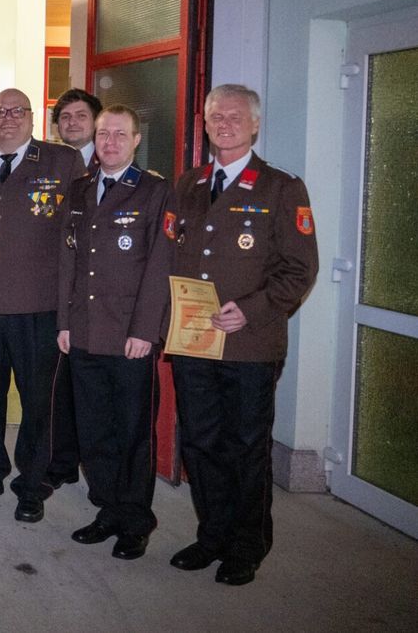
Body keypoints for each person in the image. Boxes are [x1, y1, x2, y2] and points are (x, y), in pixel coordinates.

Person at [167, 84, 318, 586]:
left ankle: (247, 545)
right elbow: (174, 257)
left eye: (234, 116)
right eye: (214, 116)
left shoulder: (280, 187)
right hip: (194, 344)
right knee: (202, 443)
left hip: (250, 346)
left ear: (255, 124)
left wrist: (250, 312)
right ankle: (211, 535)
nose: (223, 123)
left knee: (246, 447)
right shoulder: (188, 184)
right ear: (205, 124)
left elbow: (300, 271)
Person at [0, 87, 87, 524]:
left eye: (17, 111)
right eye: (0, 112)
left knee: (37, 402)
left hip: (38, 305)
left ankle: (32, 484)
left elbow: (79, 238)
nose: (8, 118)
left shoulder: (63, 162)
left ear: (33, 118)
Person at [56, 105, 172, 560]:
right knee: (94, 431)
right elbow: (68, 259)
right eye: (104, 134)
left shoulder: (154, 191)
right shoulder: (81, 189)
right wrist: (63, 322)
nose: (109, 142)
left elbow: (160, 265)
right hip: (84, 332)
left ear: (136, 140)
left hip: (129, 338)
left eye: (120, 135)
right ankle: (106, 508)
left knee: (132, 433)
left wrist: (146, 330)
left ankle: (135, 520)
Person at [52, 88, 104, 169]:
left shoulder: (109, 161)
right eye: (65, 116)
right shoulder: (44, 163)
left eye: (81, 116)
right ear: (57, 125)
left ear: (96, 122)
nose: (72, 122)